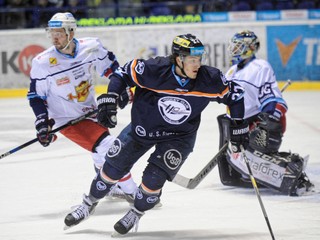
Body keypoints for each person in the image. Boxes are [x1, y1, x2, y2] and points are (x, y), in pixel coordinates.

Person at [63, 33, 249, 236]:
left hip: (179, 137)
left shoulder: (209, 79)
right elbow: (122, 73)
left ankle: (136, 212)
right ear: (179, 59)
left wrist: (238, 125)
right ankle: (89, 202)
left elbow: (236, 96)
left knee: (153, 180)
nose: (197, 64)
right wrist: (111, 96)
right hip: (143, 130)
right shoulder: (154, 69)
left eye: (199, 59)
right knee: (111, 170)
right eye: (192, 60)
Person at [27, 12, 138, 211]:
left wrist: (121, 89)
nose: (54, 37)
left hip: (91, 110)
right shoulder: (43, 62)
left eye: (59, 32)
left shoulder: (91, 46)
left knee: (100, 151)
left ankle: (110, 187)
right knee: (110, 146)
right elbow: (36, 96)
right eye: (52, 33)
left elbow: (112, 70)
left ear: (71, 31)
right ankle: (133, 191)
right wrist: (42, 122)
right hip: (66, 119)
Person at [217, 30, 314, 196]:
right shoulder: (232, 70)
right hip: (238, 124)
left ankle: (290, 172)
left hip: (257, 124)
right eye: (234, 45)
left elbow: (272, 98)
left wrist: (268, 120)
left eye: (239, 46)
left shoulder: (260, 67)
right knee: (233, 173)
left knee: (248, 164)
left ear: (250, 47)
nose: (234, 49)